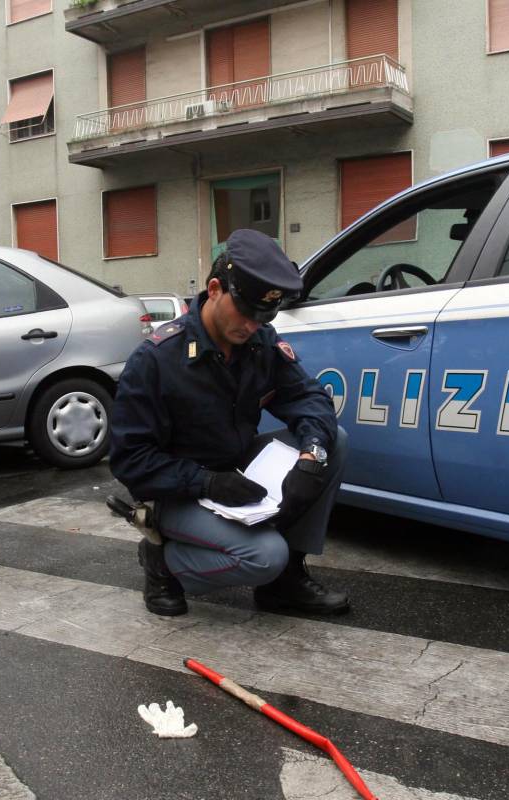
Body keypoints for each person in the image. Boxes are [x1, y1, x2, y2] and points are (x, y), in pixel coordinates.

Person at [110, 228, 349, 616]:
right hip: (177, 490)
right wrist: (207, 481)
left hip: (236, 467)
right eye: (246, 313)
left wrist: (311, 458)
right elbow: (130, 461)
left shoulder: (259, 342)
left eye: (264, 317)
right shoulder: (156, 360)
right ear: (216, 288)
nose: (253, 326)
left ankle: (286, 582)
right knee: (264, 556)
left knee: (333, 440)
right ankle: (163, 565)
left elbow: (308, 397)